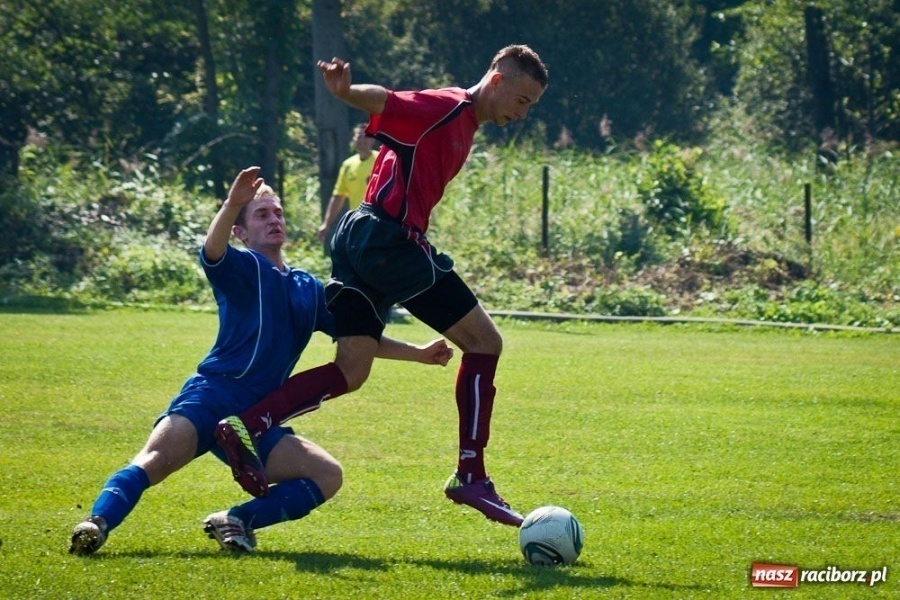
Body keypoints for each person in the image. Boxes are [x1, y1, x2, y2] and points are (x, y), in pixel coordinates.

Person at [216, 45, 548, 527]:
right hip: (388, 243)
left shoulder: (464, 124)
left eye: (530, 106)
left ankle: (248, 425)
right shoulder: (446, 108)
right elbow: (387, 101)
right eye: (521, 100)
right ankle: (471, 475)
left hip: (361, 238)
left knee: (352, 369)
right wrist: (346, 92)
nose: (523, 113)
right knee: (485, 342)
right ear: (496, 80)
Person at [69, 167, 453, 555]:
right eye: (261, 214)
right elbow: (212, 251)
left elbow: (358, 340)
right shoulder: (240, 266)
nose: (274, 220)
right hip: (211, 396)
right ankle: (96, 524)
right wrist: (233, 203)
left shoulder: (307, 286)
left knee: (327, 475)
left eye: (278, 213)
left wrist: (417, 354)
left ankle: (237, 519)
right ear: (241, 231)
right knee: (155, 460)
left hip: (256, 416)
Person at [317, 123, 378, 244]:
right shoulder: (348, 165)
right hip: (358, 223)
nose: (362, 140)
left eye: (366, 136)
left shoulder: (381, 159)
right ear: (354, 139)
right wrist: (326, 224)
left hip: (379, 222)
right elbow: (338, 196)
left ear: (373, 139)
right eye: (359, 136)